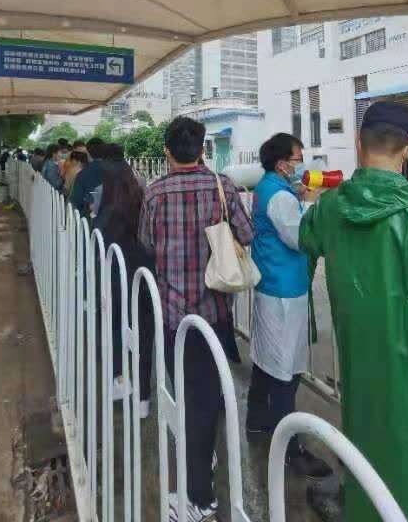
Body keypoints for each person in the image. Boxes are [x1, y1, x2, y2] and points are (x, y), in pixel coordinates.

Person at [300, 101, 408, 522]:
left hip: (362, 377)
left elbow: (307, 236)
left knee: (370, 464)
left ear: (358, 144)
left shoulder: (330, 208)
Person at [138, 116, 253, 522]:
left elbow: (146, 243)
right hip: (215, 311)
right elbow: (246, 235)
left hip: (175, 316)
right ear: (202, 148)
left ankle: (200, 499)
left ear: (167, 151)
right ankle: (206, 456)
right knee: (209, 392)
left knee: (189, 397)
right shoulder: (223, 186)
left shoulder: (154, 193)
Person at [246, 134, 332, 478]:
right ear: (282, 164)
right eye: (298, 158)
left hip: (273, 284)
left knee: (266, 359)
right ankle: (290, 449)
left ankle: (257, 421)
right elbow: (299, 238)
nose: (301, 164)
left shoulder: (268, 187)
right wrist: (311, 205)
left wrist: (298, 197)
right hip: (283, 290)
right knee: (286, 370)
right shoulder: (281, 197)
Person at [95, 159, 155, 418]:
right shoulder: (145, 204)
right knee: (144, 339)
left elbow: (98, 247)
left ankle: (120, 380)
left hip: (116, 283)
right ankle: (143, 399)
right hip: (145, 280)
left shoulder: (107, 215)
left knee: (115, 331)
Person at [69, 137, 105, 215]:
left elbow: (76, 202)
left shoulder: (82, 174)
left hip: (89, 217)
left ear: (88, 153)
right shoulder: (116, 171)